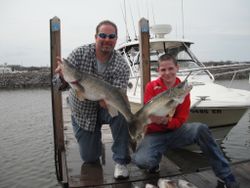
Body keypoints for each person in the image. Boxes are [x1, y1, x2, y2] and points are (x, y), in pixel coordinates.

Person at [132, 54, 240, 188]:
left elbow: (180, 120)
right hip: (154, 134)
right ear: (158, 71)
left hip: (175, 132)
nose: (167, 73)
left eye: (171, 68)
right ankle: (154, 161)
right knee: (142, 161)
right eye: (163, 70)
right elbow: (147, 113)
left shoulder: (182, 91)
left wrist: (166, 121)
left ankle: (224, 175)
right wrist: (148, 122)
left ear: (177, 68)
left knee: (201, 129)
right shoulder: (151, 87)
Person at [55, 20, 130, 179]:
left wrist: (107, 101)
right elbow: (56, 85)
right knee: (90, 158)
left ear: (116, 39)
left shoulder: (122, 65)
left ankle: (121, 161)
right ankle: (95, 141)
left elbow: (118, 94)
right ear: (96, 37)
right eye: (102, 35)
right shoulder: (79, 54)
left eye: (111, 36)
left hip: (106, 107)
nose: (107, 39)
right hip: (83, 113)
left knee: (121, 114)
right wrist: (61, 78)